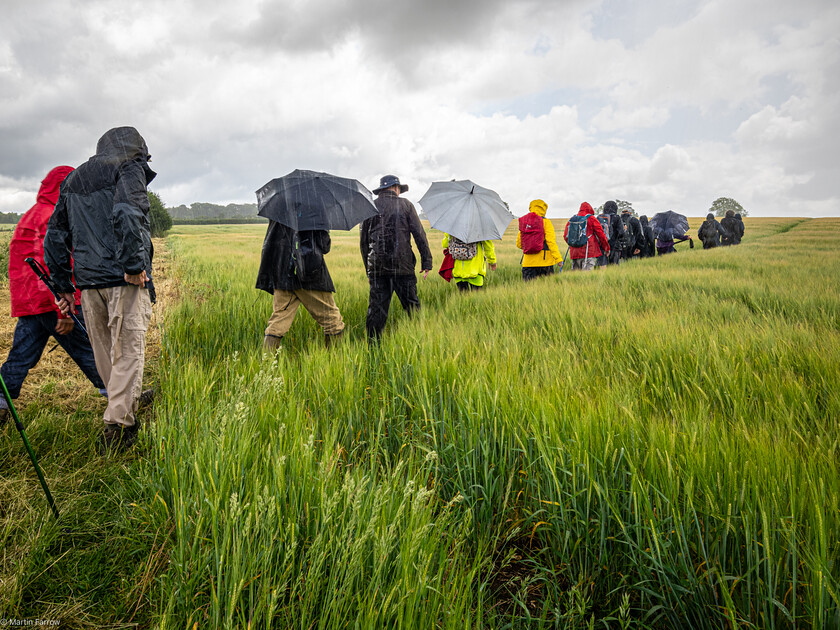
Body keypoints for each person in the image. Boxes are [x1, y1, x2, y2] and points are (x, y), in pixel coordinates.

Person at [44, 127, 155, 451]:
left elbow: (55, 233)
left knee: (107, 353)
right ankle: (119, 427)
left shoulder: (75, 177)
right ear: (137, 150)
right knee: (129, 351)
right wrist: (134, 267)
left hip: (89, 282)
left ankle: (123, 404)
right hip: (122, 279)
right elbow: (127, 213)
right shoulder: (128, 167)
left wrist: (63, 284)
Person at [0, 166, 106, 426]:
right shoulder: (52, 216)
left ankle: (0, 402)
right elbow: (51, 265)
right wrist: (64, 310)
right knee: (89, 351)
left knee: (21, 357)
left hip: (31, 304)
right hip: (53, 301)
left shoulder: (32, 215)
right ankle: (121, 397)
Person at [360, 175, 433, 342]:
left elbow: (364, 243)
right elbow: (419, 235)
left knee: (377, 311)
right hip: (404, 267)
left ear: (382, 190)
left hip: (378, 269)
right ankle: (420, 341)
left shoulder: (370, 207)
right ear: (396, 188)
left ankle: (372, 347)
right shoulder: (406, 205)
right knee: (412, 307)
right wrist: (426, 261)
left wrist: (369, 271)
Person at [256, 222, 345, 349]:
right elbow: (324, 246)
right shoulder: (314, 212)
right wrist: (325, 229)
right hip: (309, 277)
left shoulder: (279, 211)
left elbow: (271, 244)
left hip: (282, 275)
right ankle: (336, 362)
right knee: (332, 321)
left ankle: (266, 365)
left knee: (278, 322)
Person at [517, 199, 563, 280]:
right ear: (544, 209)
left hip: (528, 264)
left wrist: (530, 247)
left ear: (531, 207)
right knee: (547, 290)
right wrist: (558, 259)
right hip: (545, 263)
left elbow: (519, 244)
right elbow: (551, 242)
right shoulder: (546, 222)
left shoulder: (525, 222)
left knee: (528, 290)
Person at [563, 202, 609, 271]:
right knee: (587, 277)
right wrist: (606, 248)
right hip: (589, 251)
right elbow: (601, 235)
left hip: (575, 253)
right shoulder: (591, 218)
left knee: (576, 278)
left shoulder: (572, 219)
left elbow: (565, 236)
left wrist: (574, 245)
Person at [596, 201, 623, 268]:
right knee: (614, 268)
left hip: (602, 245)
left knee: (602, 267)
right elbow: (622, 232)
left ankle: (600, 278)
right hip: (614, 246)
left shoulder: (600, 217)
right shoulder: (617, 217)